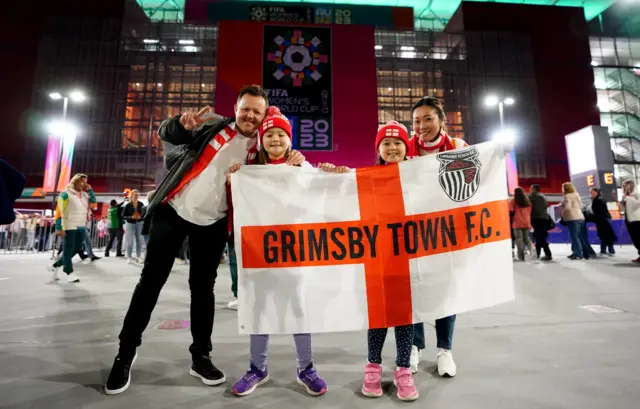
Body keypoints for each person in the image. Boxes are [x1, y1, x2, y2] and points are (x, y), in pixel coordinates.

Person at [104, 85, 305, 395]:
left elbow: (284, 176)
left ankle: (201, 357)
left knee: (203, 290)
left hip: (213, 224)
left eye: (257, 111)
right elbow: (166, 133)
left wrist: (296, 161)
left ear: (265, 115)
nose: (250, 115)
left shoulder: (263, 151)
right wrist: (179, 126)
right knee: (150, 282)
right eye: (245, 108)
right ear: (236, 108)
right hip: (173, 211)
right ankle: (125, 353)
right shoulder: (213, 124)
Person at [227, 107, 328, 397]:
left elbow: (324, 190)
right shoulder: (249, 172)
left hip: (295, 253)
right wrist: (234, 178)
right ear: (261, 140)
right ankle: (257, 368)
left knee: (300, 308)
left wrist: (334, 173)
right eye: (269, 134)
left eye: (281, 134)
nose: (275, 139)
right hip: (259, 253)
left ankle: (306, 368)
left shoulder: (301, 167)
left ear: (290, 140)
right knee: (259, 308)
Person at [407, 97, 473, 377]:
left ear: (442, 120)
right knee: (414, 291)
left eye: (428, 118)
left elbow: (475, 183)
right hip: (412, 232)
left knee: (445, 291)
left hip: (448, 232)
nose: (421, 126)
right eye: (416, 120)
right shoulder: (405, 148)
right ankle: (414, 346)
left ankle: (445, 350)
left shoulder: (458, 148)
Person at [353, 121, 418, 401]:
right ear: (378, 149)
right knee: (378, 316)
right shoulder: (367, 177)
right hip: (378, 257)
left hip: (409, 257)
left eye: (398, 142)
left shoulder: (419, 176)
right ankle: (373, 366)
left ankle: (403, 369)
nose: (392, 148)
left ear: (407, 146)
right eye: (386, 143)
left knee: (404, 316)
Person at [49, 174, 97, 283]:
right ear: (75, 181)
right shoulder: (65, 194)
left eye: (85, 182)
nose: (84, 184)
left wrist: (90, 191)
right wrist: (58, 227)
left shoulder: (85, 195)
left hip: (81, 225)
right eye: (82, 181)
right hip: (68, 225)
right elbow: (59, 211)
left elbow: (94, 205)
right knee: (68, 249)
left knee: (77, 248)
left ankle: (56, 265)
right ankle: (69, 272)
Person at [560, 182, 590, 260]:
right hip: (580, 216)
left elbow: (568, 207)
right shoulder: (577, 195)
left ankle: (578, 254)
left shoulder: (567, 196)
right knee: (579, 236)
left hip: (572, 217)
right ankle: (578, 252)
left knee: (574, 237)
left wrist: (562, 205)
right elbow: (581, 206)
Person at [509, 187, 535, 261]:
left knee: (519, 239)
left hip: (517, 222)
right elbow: (530, 211)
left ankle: (521, 256)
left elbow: (510, 211)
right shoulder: (528, 201)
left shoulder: (513, 201)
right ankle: (532, 249)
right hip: (526, 222)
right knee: (526, 238)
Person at [589, 188, 617, 256]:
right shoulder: (597, 200)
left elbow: (600, 212)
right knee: (606, 235)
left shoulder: (598, 200)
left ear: (596, 192)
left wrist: (592, 217)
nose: (590, 193)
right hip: (603, 219)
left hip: (602, 220)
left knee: (604, 235)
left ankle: (604, 250)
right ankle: (609, 251)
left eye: (591, 192)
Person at [529, 184, 552, 260]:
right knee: (540, 237)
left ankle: (546, 254)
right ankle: (539, 254)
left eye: (531, 188)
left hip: (536, 218)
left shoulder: (531, 196)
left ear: (534, 189)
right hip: (545, 218)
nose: (530, 190)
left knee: (539, 237)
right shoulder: (544, 197)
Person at [121, 189, 145, 264]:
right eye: (135, 195)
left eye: (137, 195)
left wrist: (141, 217)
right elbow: (123, 216)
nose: (136, 196)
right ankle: (129, 257)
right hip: (130, 223)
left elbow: (144, 214)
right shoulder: (127, 205)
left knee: (139, 240)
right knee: (129, 241)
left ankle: (138, 256)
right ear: (131, 196)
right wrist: (131, 217)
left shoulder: (141, 204)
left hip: (139, 223)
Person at [620, 180, 640, 262]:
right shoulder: (625, 197)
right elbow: (623, 209)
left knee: (638, 238)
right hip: (629, 220)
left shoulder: (636, 195)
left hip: (637, 219)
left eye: (625, 186)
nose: (624, 188)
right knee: (635, 239)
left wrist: (628, 199)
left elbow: (637, 204)